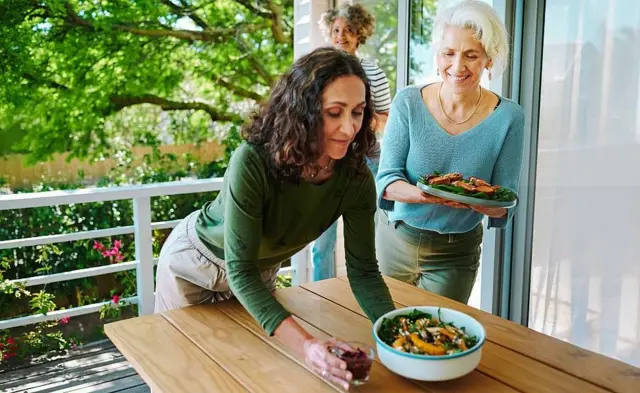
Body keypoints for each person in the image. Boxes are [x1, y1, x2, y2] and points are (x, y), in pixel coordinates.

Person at [154, 47, 395, 390]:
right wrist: (309, 345)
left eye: (357, 112)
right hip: (194, 267)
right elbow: (239, 269)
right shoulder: (252, 161)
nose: (349, 128)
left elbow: (364, 272)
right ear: (304, 112)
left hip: (257, 273)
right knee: (184, 378)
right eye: (334, 113)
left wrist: (397, 335)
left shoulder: (356, 180)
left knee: (253, 374)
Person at [375, 0, 525, 304]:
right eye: (449, 53)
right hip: (397, 240)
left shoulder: (509, 117)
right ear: (437, 56)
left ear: (488, 60)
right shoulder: (408, 103)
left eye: (471, 55)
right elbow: (387, 180)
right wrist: (425, 195)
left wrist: (482, 203)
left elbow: (504, 200)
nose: (458, 67)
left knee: (437, 338)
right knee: (383, 327)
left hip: (456, 251)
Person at [311, 3, 392, 281]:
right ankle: (322, 295)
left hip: (366, 159)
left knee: (367, 237)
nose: (341, 35)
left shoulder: (373, 72)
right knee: (321, 240)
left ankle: (366, 290)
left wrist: (357, 116)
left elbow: (386, 121)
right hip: (326, 160)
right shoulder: (318, 71)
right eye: (335, 29)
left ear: (360, 34)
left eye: (348, 29)